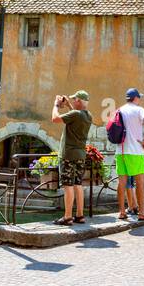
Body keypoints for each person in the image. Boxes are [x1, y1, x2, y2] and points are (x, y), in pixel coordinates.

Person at [51, 90, 92, 225]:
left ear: (79, 101)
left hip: (68, 154)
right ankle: (80, 215)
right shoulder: (87, 116)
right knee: (77, 184)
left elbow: (55, 119)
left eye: (75, 100)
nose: (73, 101)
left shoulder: (75, 114)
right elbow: (75, 114)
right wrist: (69, 105)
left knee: (68, 185)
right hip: (80, 154)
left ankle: (67, 217)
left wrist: (56, 105)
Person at [115, 88, 144, 221]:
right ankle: (142, 212)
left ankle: (122, 212)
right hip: (136, 151)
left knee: (121, 182)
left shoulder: (119, 109)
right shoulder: (139, 110)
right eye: (139, 98)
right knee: (140, 182)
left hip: (121, 150)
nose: (140, 100)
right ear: (135, 98)